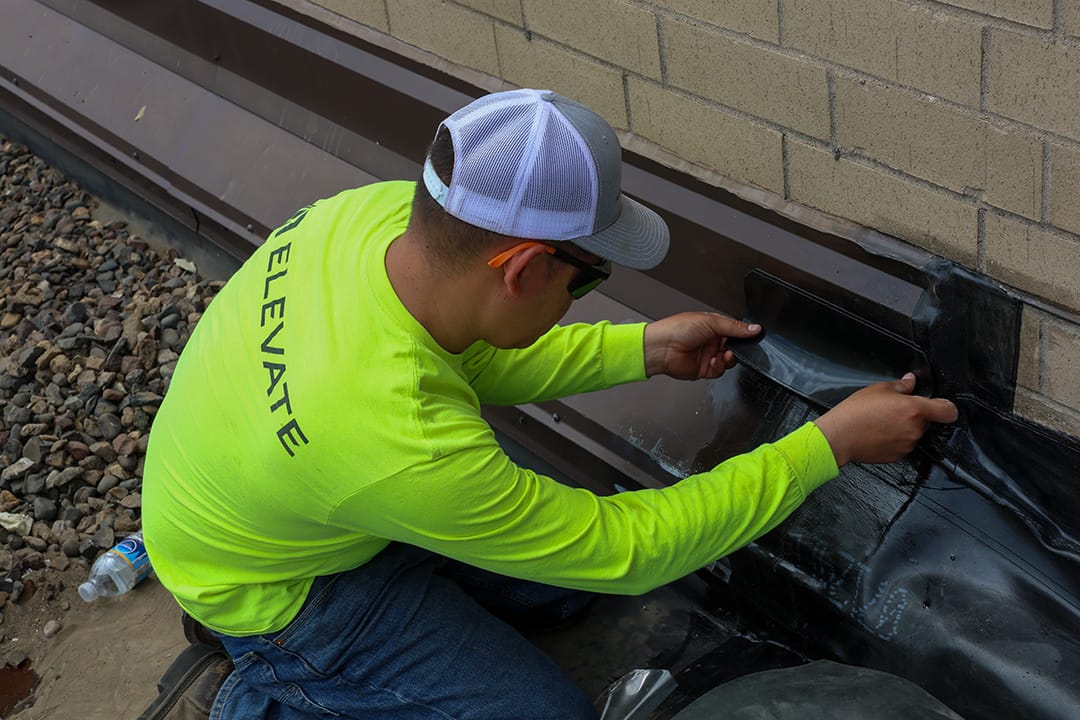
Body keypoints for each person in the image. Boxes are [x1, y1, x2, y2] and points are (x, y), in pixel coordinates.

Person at [141, 88, 958, 719]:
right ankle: (257, 687)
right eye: (588, 276)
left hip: (309, 495)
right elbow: (632, 546)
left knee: (569, 587)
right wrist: (830, 445)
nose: (590, 292)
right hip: (276, 592)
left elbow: (469, 362)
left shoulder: (377, 222)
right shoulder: (402, 441)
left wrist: (641, 349)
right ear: (523, 267)